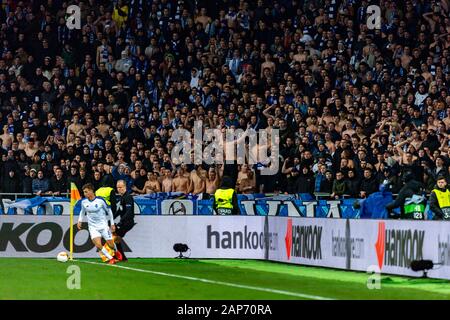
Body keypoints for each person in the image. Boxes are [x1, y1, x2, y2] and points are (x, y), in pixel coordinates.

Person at [77, 183, 121, 264]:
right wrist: (80, 220)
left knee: (111, 244)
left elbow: (109, 211)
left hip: (103, 226)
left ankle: (116, 251)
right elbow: (82, 211)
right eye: (84, 192)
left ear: (91, 191)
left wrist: (112, 223)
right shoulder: (83, 202)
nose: (84, 194)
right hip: (93, 227)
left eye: (86, 192)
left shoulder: (101, 200)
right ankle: (111, 258)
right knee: (98, 245)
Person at [113, 180, 136, 261]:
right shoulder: (122, 197)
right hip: (124, 222)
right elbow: (120, 210)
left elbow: (129, 212)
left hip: (128, 222)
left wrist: (120, 222)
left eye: (121, 187)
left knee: (115, 238)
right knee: (117, 239)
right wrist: (112, 218)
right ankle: (122, 257)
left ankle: (118, 256)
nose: (119, 189)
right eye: (118, 187)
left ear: (125, 187)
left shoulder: (128, 197)